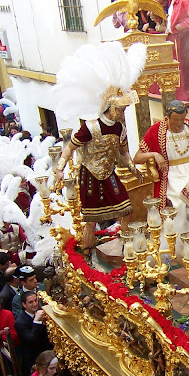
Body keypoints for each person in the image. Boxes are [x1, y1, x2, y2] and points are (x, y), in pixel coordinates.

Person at [53, 82, 141, 259]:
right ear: (110, 108)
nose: (122, 114)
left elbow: (124, 154)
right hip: (90, 175)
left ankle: (127, 249)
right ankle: (87, 252)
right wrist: (59, 169)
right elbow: (70, 148)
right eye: (120, 110)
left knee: (127, 210)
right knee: (91, 220)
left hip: (109, 173)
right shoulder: (90, 127)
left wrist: (133, 169)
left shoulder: (120, 128)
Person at [135, 100, 189, 217]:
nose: (179, 123)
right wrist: (154, 154)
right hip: (170, 176)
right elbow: (137, 158)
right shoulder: (156, 131)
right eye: (176, 120)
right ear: (167, 117)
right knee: (181, 202)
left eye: (182, 119)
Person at [14, 291, 52, 376]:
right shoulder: (20, 322)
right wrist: (36, 321)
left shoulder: (41, 312)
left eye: (35, 300)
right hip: (33, 360)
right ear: (24, 304)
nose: (34, 304)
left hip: (47, 355)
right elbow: (32, 339)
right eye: (30, 302)